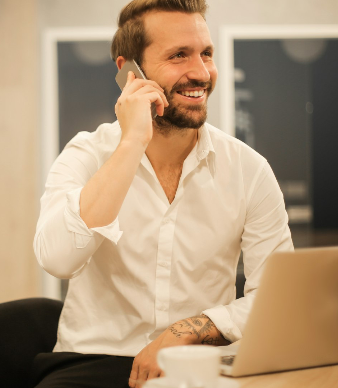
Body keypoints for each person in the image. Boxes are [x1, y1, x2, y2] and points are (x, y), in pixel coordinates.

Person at [33, 0, 294, 387]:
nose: (201, 72)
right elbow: (57, 259)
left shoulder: (249, 170)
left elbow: (276, 299)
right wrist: (132, 142)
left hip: (197, 366)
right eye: (179, 56)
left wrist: (186, 330)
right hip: (91, 364)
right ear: (129, 72)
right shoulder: (87, 154)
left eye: (206, 53)